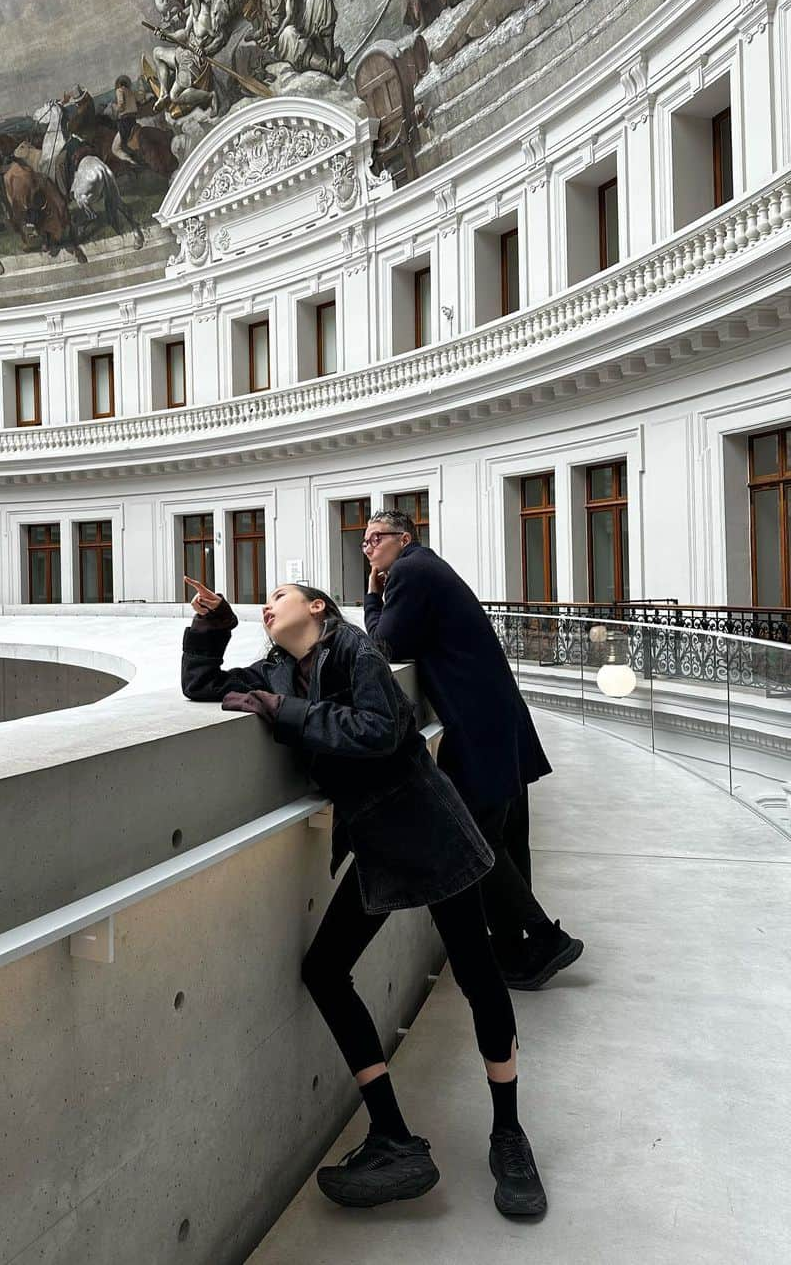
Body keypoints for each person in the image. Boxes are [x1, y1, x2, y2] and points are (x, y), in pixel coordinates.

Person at [181, 575, 548, 1217]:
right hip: (378, 840)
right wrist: (214, 626)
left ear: (316, 607)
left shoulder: (356, 650)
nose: (267, 607)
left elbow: (381, 728)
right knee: (324, 970)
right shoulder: (278, 666)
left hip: (427, 826)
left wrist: (283, 711)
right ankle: (391, 1132)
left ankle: (509, 1134)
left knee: (477, 972)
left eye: (279, 598)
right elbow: (202, 686)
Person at [362, 510, 583, 989]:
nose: (370, 548)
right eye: (364, 543)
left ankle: (543, 939)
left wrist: (373, 595)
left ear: (404, 538)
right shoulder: (426, 567)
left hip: (478, 725)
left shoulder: (409, 571)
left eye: (376, 538)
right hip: (495, 719)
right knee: (501, 837)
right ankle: (518, 950)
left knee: (478, 840)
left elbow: (384, 647)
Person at [112, 75, 143, 169]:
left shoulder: (119, 91)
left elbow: (121, 106)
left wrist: (115, 107)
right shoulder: (132, 92)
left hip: (125, 123)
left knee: (115, 148)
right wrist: (141, 84)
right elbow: (141, 96)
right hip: (133, 121)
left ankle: (131, 162)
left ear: (119, 85)